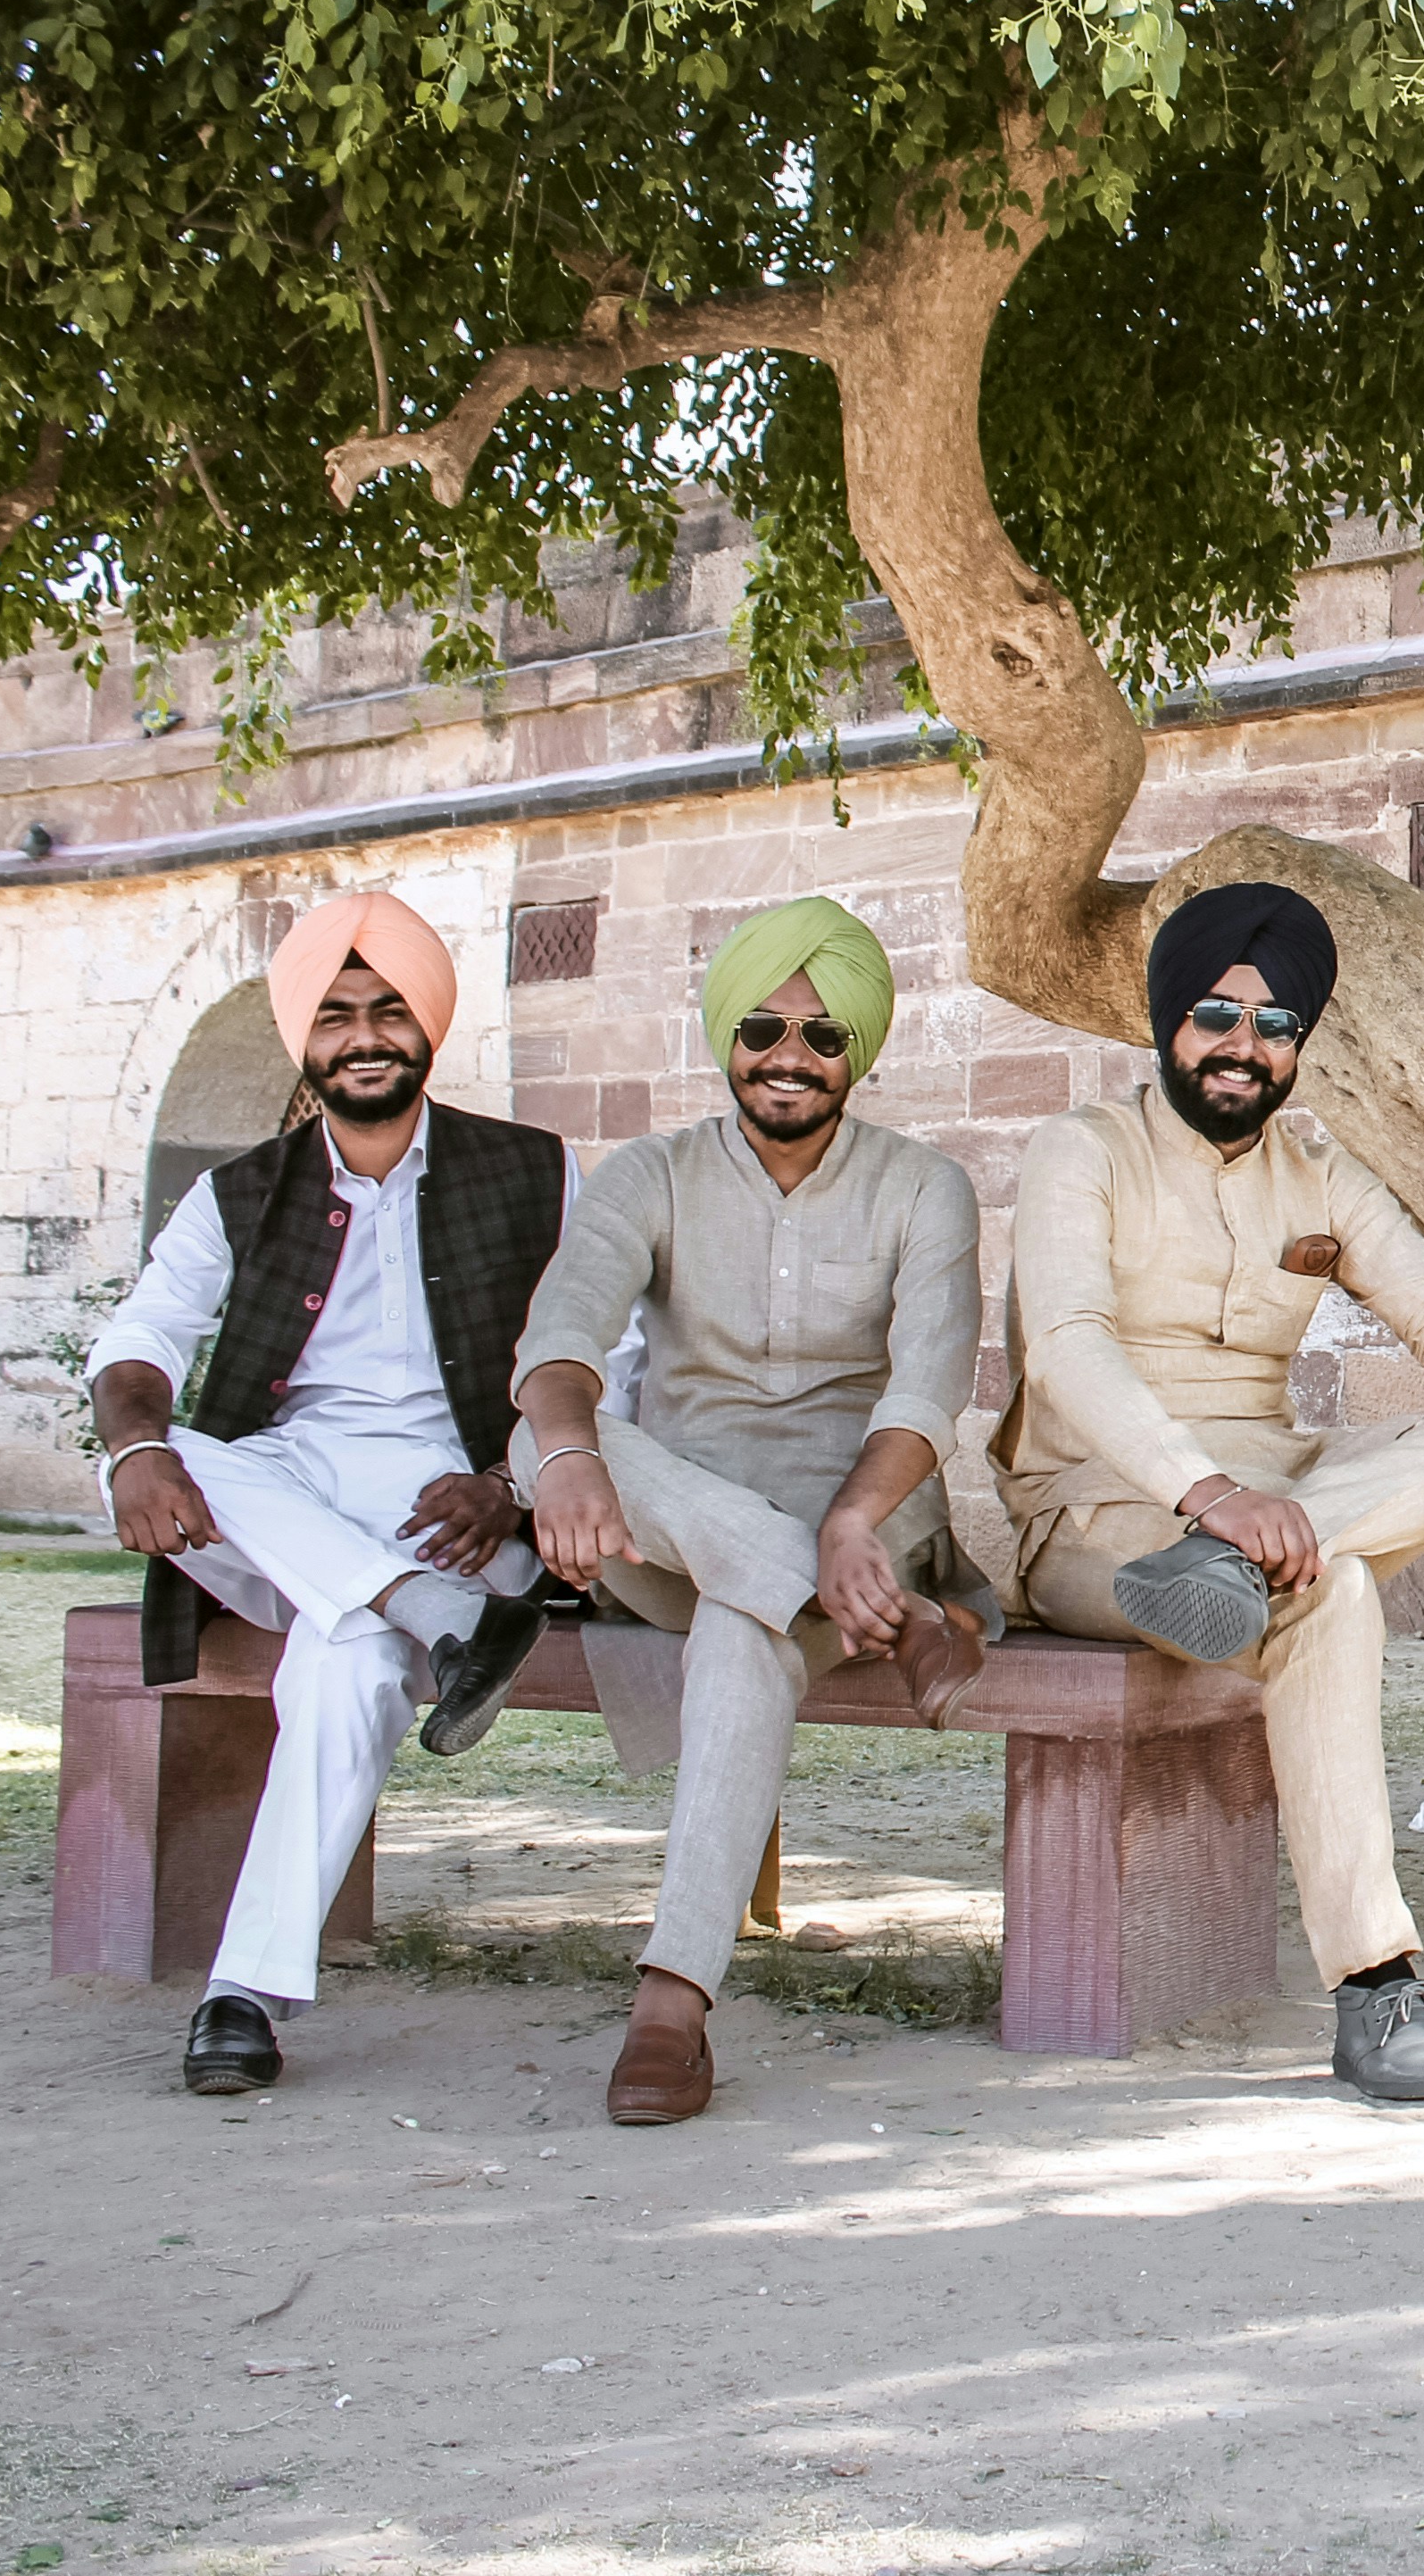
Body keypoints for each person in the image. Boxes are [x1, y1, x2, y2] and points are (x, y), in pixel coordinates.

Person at [995, 879, 1424, 2102]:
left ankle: (1253, 1564)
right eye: (1219, 1014)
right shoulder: (1083, 1151)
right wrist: (1206, 1494)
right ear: (1170, 1020)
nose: (1244, 1047)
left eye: (1275, 1027)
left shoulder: (1318, 1168)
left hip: (1269, 1509)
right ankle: (1378, 1987)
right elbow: (1067, 1347)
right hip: (1101, 1508)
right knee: (1334, 1602)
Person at [508, 898, 987, 2125]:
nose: (789, 1054)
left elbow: (929, 1389)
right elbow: (562, 1339)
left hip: (866, 1524)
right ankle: (883, 1610)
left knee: (744, 1623)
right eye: (764, 1027)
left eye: (824, 1036)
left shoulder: (925, 1188)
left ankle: (672, 1999)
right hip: (685, 1526)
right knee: (536, 1433)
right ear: (728, 1033)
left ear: (860, 1051)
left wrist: (847, 1526)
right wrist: (566, 1456)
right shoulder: (650, 1175)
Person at [86, 894, 567, 2097]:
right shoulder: (242, 1193)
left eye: (389, 1009)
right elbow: (141, 1345)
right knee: (162, 1446)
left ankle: (240, 1994)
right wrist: (142, 1452)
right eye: (338, 1013)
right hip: (290, 1491)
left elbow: (604, 1358)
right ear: (306, 1037)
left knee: (344, 1666)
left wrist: (509, 1484)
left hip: (457, 1501)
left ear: (427, 1029)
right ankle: (429, 1615)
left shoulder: (529, 1170)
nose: (365, 1033)